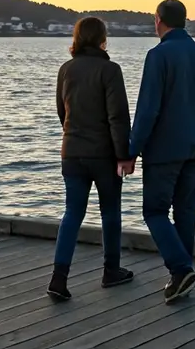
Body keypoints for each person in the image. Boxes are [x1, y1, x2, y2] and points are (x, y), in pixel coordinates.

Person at [126, 0, 195, 304]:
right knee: (185, 212)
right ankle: (182, 275)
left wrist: (131, 149)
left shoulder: (158, 56)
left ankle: (180, 270)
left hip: (165, 150)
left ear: (159, 21)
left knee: (154, 211)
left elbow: (148, 109)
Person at [47, 16, 135, 301]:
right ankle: (111, 271)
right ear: (102, 39)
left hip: (71, 151)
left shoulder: (66, 69)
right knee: (110, 212)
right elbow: (117, 117)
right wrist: (124, 155)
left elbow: (63, 111)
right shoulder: (110, 70)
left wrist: (73, 137)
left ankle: (58, 278)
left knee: (72, 213)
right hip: (104, 155)